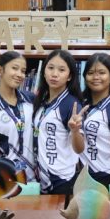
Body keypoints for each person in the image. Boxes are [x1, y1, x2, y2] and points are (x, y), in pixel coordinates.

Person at [71, 53, 110, 186]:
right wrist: (74, 131)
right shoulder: (79, 106)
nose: (96, 77)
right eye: (90, 73)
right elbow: (77, 148)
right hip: (85, 178)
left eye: (102, 73)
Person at [32, 50, 83, 195]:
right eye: (50, 68)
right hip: (41, 176)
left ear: (70, 76)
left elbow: (79, 149)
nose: (54, 74)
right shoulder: (41, 100)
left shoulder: (71, 105)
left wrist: (75, 131)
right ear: (44, 72)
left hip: (62, 178)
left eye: (61, 70)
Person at [0, 51, 36, 181]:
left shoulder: (31, 100)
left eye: (23, 71)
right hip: (8, 180)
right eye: (15, 68)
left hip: (37, 178)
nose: (20, 74)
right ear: (0, 70)